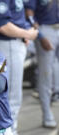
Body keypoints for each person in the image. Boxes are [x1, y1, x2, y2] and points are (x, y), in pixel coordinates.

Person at [0, 0, 38, 134]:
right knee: (10, 98)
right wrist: (28, 34)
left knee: (11, 98)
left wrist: (24, 33)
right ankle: (10, 132)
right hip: (6, 45)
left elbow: (16, 18)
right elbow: (2, 26)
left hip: (13, 44)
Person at [24, 0, 59, 128]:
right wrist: (41, 36)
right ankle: (47, 114)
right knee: (46, 74)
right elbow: (29, 14)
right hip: (46, 29)